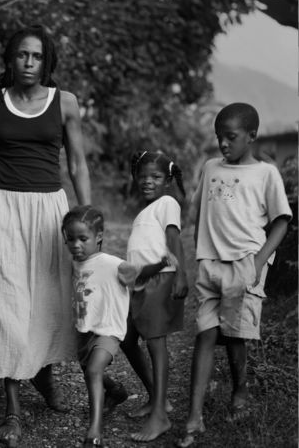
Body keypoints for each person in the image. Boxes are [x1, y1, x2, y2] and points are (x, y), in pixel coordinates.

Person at [0, 25, 92, 447]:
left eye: (37, 57)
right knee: (7, 306)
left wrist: (86, 216)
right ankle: (12, 408)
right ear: (10, 59)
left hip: (48, 209)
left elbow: (76, 163)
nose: (29, 63)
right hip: (2, 207)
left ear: (47, 62)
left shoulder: (65, 103)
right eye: (22, 55)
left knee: (48, 302)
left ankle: (47, 381)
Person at [176, 103, 292, 448]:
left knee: (235, 334)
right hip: (211, 262)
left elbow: (281, 221)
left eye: (231, 137)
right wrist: (199, 253)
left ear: (251, 137)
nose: (223, 144)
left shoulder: (266, 174)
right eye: (219, 138)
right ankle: (194, 419)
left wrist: (258, 263)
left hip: (245, 261)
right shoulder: (211, 167)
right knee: (205, 334)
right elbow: (201, 213)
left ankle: (240, 390)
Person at [119, 150, 188, 442]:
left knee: (156, 345)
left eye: (156, 177)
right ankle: (156, 398)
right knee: (126, 339)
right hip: (141, 282)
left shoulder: (167, 203)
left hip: (160, 281)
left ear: (168, 180)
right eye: (143, 176)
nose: (148, 181)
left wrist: (181, 274)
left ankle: (160, 416)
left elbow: (173, 240)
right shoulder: (146, 210)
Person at [63, 205, 136, 447]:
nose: (76, 245)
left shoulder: (110, 262)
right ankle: (116, 391)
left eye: (83, 239)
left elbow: (133, 273)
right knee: (89, 371)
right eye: (70, 239)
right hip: (84, 329)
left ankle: (94, 431)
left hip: (108, 329)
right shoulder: (74, 262)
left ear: (99, 237)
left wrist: (148, 269)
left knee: (93, 370)